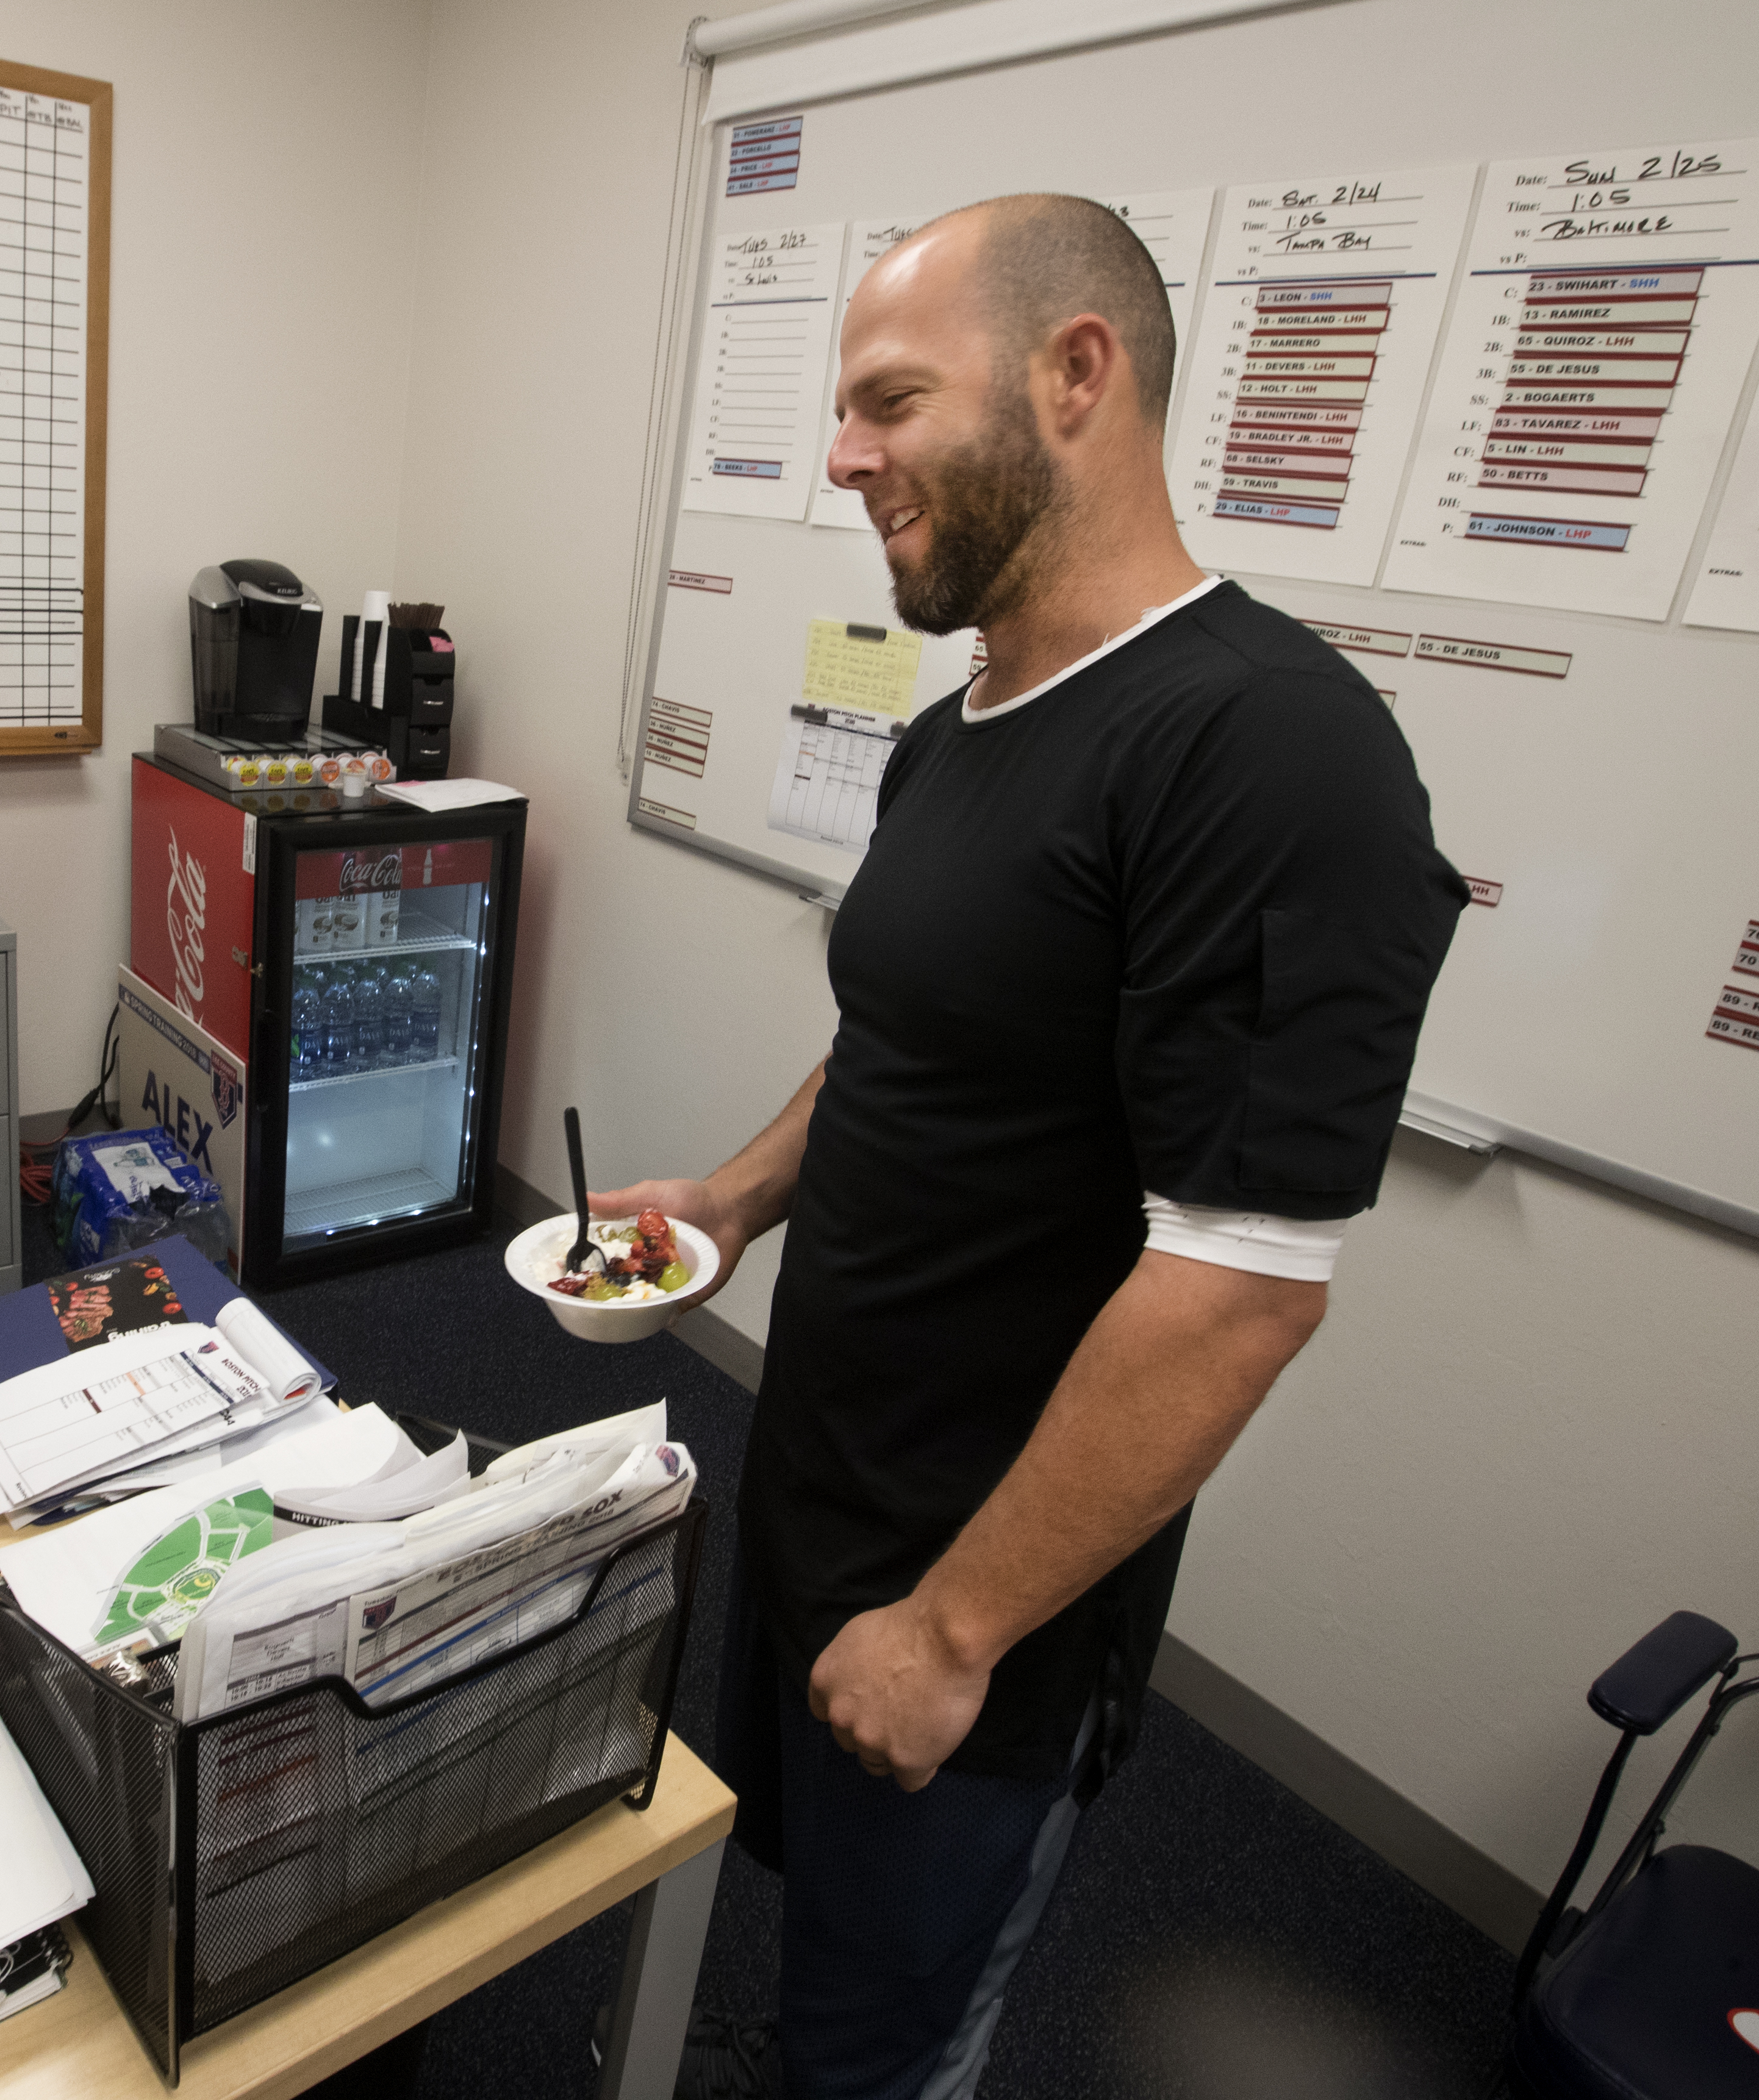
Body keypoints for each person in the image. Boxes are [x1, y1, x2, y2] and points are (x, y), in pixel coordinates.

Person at [596, 196, 1467, 2098]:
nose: (841, 455)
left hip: (980, 1584)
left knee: (898, 2040)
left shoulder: (1263, 748)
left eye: (888, 399)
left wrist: (955, 1625)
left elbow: (1240, 1289)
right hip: (835, 1477)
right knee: (815, 1925)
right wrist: (730, 1198)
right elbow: (907, 1041)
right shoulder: (962, 724)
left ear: (1077, 372)